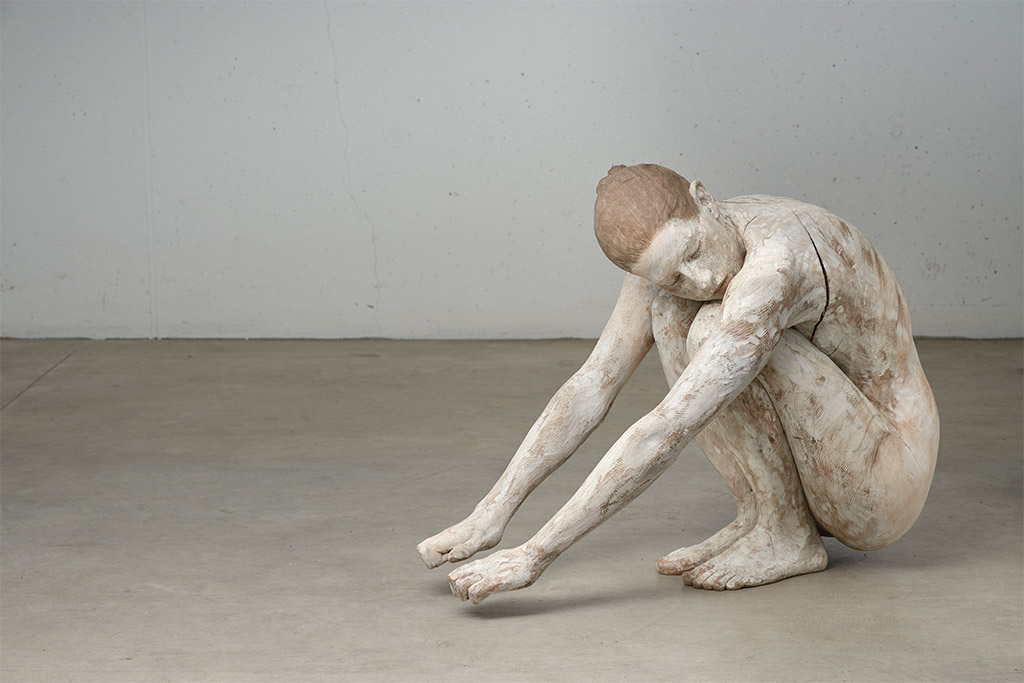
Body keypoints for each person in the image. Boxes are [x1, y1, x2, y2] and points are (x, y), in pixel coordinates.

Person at [418, 164, 939, 604]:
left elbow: (668, 427)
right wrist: (491, 513)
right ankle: (761, 514)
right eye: (673, 272)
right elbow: (592, 384)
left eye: (693, 251)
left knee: (711, 327)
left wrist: (536, 553)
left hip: (884, 476)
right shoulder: (679, 260)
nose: (701, 278)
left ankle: (787, 534)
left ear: (704, 199)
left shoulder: (776, 264)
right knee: (670, 309)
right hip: (825, 456)